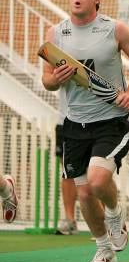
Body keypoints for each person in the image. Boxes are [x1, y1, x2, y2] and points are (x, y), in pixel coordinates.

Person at [41, 0, 129, 262]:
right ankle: (104, 249)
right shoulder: (56, 34)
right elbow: (47, 81)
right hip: (74, 124)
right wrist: (57, 78)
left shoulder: (114, 29)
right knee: (85, 194)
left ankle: (116, 215)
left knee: (99, 178)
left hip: (111, 121)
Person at [55, 91, 79, 235]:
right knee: (67, 172)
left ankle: (102, 222)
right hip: (65, 122)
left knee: (94, 172)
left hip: (93, 122)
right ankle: (70, 220)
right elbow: (49, 81)